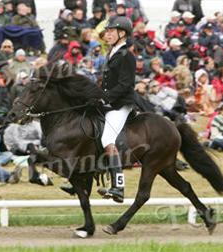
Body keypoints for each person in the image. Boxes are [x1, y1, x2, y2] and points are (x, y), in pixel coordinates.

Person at [98, 16, 135, 203]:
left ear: (122, 33)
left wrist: (104, 99)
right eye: (107, 31)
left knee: (107, 138)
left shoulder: (126, 55)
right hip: (110, 102)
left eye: (111, 31)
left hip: (121, 104)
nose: (107, 34)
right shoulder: (112, 53)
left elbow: (125, 85)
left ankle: (118, 186)